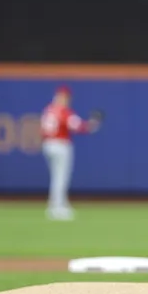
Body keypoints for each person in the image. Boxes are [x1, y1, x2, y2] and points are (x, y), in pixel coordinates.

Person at [39, 86, 102, 221]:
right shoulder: (63, 111)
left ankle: (58, 204)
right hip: (60, 144)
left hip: (47, 144)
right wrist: (93, 124)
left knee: (56, 177)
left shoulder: (48, 109)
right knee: (61, 177)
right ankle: (57, 207)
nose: (67, 100)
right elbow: (78, 126)